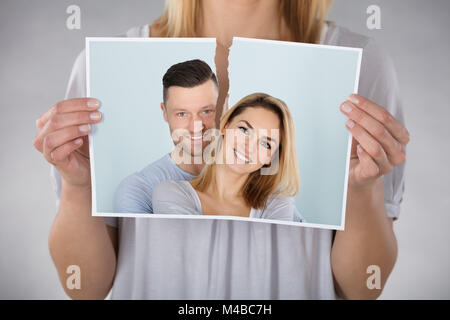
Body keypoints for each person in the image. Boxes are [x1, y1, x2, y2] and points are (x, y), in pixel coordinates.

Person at [34, 0, 409, 299]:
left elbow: (363, 288)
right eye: (183, 113)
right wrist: (77, 190)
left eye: (266, 141)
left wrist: (361, 192)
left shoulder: (359, 62)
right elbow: (84, 288)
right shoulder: (102, 67)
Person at [153, 93, 301, 222]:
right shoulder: (172, 193)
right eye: (244, 130)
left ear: (271, 157)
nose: (248, 146)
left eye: (265, 143)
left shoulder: (276, 205)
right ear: (226, 126)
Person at [113, 59, 220, 216]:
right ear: (165, 113)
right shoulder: (140, 189)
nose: (196, 126)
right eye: (182, 114)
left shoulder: (250, 176)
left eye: (206, 111)